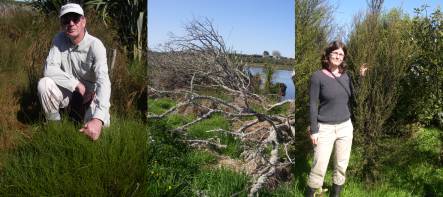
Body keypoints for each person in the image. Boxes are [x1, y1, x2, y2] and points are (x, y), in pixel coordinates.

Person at [37, 3, 111, 141]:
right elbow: (49, 69)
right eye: (66, 20)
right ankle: (55, 128)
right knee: (44, 84)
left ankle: (90, 120)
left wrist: (98, 118)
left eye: (75, 19)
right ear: (61, 23)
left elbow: (103, 80)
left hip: (91, 95)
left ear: (83, 21)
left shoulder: (96, 45)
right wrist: (77, 85)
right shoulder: (59, 39)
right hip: (70, 91)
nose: (71, 23)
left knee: (99, 128)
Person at [305, 41, 367, 197]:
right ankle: (311, 193)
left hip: (345, 127)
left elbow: (355, 95)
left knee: (341, 165)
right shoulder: (317, 77)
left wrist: (361, 77)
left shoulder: (346, 76)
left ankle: (335, 194)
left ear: (343, 57)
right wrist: (314, 130)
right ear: (328, 55)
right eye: (335, 53)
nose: (338, 56)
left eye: (341, 54)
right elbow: (312, 104)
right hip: (324, 128)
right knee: (319, 166)